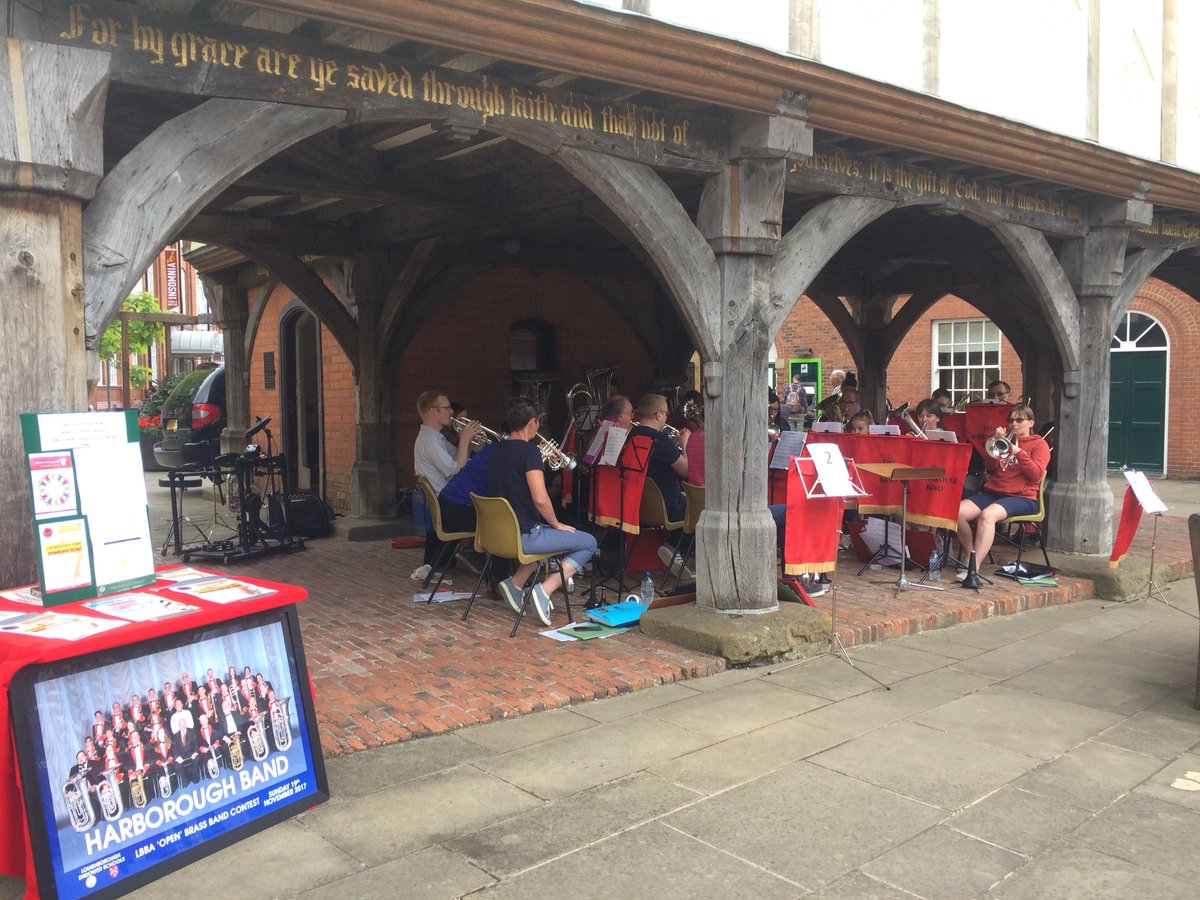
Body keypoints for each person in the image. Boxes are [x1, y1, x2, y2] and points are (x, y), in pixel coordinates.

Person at [487, 397, 598, 626]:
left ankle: (515, 584)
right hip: (525, 537)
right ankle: (544, 591)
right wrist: (557, 524)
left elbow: (513, 481)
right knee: (588, 542)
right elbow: (540, 498)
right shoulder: (529, 453)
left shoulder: (496, 450)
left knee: (548, 541)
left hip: (498, 536)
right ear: (531, 423)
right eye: (537, 422)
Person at [955, 404, 1049, 577]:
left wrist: (1018, 452)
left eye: (1020, 420)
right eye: (1011, 420)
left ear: (1031, 422)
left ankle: (973, 569)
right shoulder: (1007, 441)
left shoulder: (1039, 445)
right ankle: (970, 554)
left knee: (987, 515)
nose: (1015, 424)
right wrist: (997, 445)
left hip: (1023, 497)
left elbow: (1036, 475)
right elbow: (991, 467)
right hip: (995, 492)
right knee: (957, 512)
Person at [415, 390, 480, 571]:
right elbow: (455, 471)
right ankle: (481, 561)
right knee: (492, 518)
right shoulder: (430, 441)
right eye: (446, 408)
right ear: (432, 411)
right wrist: (465, 440)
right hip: (449, 509)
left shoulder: (436, 437)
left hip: (447, 504)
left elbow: (457, 459)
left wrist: (469, 445)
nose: (451, 412)